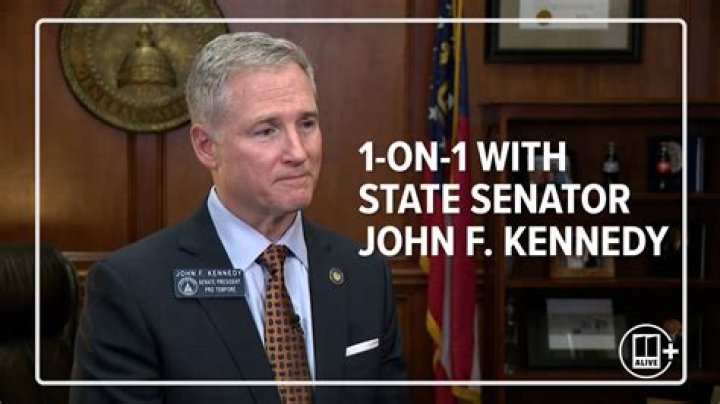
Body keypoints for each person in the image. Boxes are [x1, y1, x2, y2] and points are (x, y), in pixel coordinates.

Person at [70, 32, 408, 404]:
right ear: (206, 147)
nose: (298, 152)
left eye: (307, 124)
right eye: (267, 130)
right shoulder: (132, 288)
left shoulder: (364, 273)